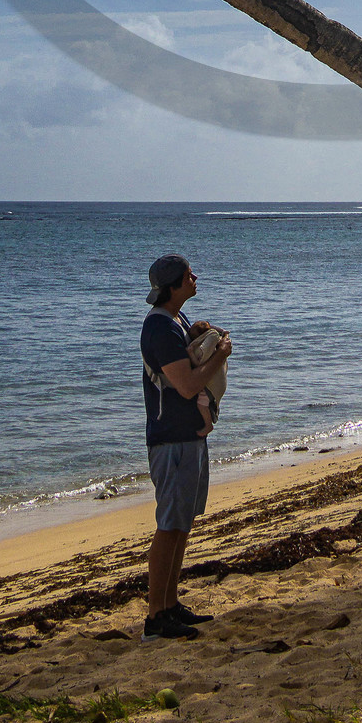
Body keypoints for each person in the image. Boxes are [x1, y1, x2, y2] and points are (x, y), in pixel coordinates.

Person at [139, 253, 231, 642]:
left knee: (182, 524)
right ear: (174, 286)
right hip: (171, 438)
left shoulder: (174, 322)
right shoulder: (160, 328)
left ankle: (170, 605)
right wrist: (221, 356)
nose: (196, 277)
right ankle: (155, 618)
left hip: (187, 437)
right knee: (169, 526)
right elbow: (188, 386)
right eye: (189, 275)